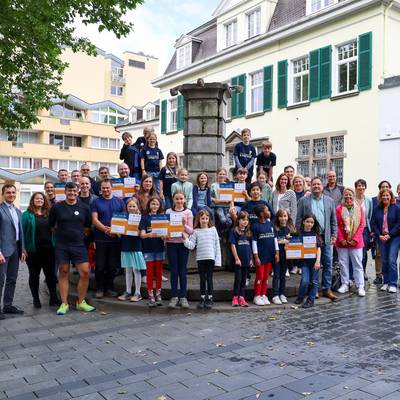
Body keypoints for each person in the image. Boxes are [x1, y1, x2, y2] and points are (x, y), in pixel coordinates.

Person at [48, 182, 95, 315]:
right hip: (62, 245)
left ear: (78, 191)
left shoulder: (84, 208)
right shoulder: (57, 207)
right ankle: (64, 303)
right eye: (69, 191)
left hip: (78, 244)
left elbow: (87, 226)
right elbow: (51, 225)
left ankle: (81, 302)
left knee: (85, 272)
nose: (72, 193)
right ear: (65, 192)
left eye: (74, 191)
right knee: (63, 271)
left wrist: (78, 236)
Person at [296, 177, 338, 301]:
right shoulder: (304, 201)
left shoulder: (329, 201)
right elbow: (298, 219)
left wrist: (334, 234)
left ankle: (327, 289)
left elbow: (333, 221)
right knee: (312, 264)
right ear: (310, 186)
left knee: (328, 263)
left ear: (322, 186)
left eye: (318, 184)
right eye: (314, 184)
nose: (316, 186)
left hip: (325, 237)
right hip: (309, 238)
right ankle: (314, 290)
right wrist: (299, 236)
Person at [22, 192, 59, 308]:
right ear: (32, 200)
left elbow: (56, 228)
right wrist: (23, 249)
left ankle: (53, 298)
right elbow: (22, 233)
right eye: (37, 198)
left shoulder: (49, 214)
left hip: (49, 250)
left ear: (45, 201)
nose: (39, 200)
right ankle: (36, 299)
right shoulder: (27, 215)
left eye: (41, 198)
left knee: (51, 276)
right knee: (34, 276)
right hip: (33, 251)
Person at [91, 179, 125, 298]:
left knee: (112, 266)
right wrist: (107, 230)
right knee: (100, 266)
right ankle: (100, 288)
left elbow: (123, 220)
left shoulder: (120, 202)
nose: (105, 190)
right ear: (100, 189)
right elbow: (94, 220)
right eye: (103, 188)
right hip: (100, 239)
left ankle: (109, 288)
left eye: (107, 188)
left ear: (112, 188)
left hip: (115, 239)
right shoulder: (96, 202)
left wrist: (115, 231)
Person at [184, 209, 221, 310]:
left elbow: (217, 245)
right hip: (201, 259)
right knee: (202, 279)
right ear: (198, 219)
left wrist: (217, 260)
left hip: (210, 258)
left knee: (209, 279)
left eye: (206, 218)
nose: (204, 220)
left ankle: (210, 298)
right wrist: (185, 239)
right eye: (202, 218)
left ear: (209, 219)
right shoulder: (196, 232)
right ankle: (202, 298)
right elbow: (191, 246)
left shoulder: (213, 230)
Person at [0, 184, 26, 318]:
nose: (11, 195)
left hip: (16, 250)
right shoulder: (0, 210)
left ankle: (8, 306)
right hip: (3, 251)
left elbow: (20, 232)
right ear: (3, 194)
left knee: (12, 279)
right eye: (8, 192)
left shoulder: (17, 211)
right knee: (0, 280)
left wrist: (23, 249)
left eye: (13, 192)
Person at [336, 188, 366, 296]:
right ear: (343, 196)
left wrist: (355, 239)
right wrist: (341, 239)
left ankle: (360, 285)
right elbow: (337, 226)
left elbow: (362, 225)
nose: (348, 197)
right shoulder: (339, 209)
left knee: (357, 264)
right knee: (343, 263)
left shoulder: (359, 209)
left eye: (350, 195)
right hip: (342, 242)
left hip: (356, 242)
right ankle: (345, 283)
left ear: (353, 196)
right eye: (346, 195)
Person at [166, 191, 194, 309]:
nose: (179, 201)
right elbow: (165, 227)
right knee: (173, 271)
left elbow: (191, 231)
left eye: (181, 199)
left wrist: (183, 225)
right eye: (177, 199)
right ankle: (174, 296)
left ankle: (183, 297)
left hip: (183, 244)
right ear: (173, 199)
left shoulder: (188, 212)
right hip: (171, 243)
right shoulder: (168, 211)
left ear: (185, 200)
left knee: (182, 271)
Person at [371, 188, 400, 293]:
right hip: (381, 238)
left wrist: (389, 235)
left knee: (392, 260)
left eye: (387, 195)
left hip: (394, 237)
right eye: (383, 195)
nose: (385, 197)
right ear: (380, 197)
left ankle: (393, 283)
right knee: (384, 260)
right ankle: (386, 282)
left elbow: (399, 224)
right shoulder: (377, 208)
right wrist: (379, 235)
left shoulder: (396, 208)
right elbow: (373, 223)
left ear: (391, 196)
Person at [117, 198, 146, 302]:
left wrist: (135, 229)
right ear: (126, 207)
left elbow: (141, 232)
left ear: (137, 207)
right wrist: (117, 231)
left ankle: (138, 293)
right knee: (128, 269)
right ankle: (128, 291)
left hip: (136, 245)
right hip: (125, 245)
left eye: (134, 206)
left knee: (136, 269)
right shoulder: (122, 217)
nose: (132, 208)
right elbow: (119, 233)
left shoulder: (141, 218)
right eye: (130, 206)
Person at [139, 197, 165, 307]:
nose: (155, 206)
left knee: (159, 272)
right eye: (153, 204)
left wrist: (165, 237)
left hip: (160, 248)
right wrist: (151, 234)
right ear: (149, 205)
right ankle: (151, 295)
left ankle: (158, 294)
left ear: (159, 206)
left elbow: (166, 234)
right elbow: (142, 235)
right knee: (149, 273)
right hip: (148, 249)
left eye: (157, 204)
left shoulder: (162, 218)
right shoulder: (145, 218)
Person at [251, 204, 279, 306]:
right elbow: (254, 242)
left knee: (266, 276)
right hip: (261, 256)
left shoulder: (270, 224)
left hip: (270, 254)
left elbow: (275, 239)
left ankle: (263, 294)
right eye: (267, 210)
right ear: (262, 214)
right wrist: (256, 256)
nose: (270, 212)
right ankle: (257, 295)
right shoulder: (255, 226)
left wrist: (277, 252)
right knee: (260, 276)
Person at [294, 214, 322, 308]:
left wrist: (318, 261)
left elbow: (318, 249)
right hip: (304, 262)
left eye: (312, 222)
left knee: (314, 281)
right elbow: (295, 247)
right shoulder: (299, 234)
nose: (309, 224)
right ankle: (301, 297)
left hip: (314, 262)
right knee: (305, 280)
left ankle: (311, 300)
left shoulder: (315, 235)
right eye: (308, 222)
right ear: (303, 222)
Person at [273, 209, 295, 305]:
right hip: (277, 255)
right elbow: (275, 240)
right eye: (281, 216)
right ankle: (275, 294)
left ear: (288, 217)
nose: (283, 218)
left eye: (285, 216)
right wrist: (284, 240)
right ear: (277, 218)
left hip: (286, 256)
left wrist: (290, 240)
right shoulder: (275, 228)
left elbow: (294, 241)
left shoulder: (290, 228)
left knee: (283, 276)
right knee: (276, 275)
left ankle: (282, 293)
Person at [229, 211, 251, 307]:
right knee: (238, 279)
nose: (245, 222)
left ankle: (242, 297)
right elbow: (233, 245)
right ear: (238, 220)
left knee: (244, 279)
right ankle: (235, 297)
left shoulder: (248, 232)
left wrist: (251, 259)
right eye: (243, 219)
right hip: (239, 260)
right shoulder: (234, 231)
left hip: (246, 260)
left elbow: (250, 246)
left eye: (246, 220)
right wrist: (237, 258)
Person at [371, 180, 391, 284]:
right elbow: (372, 216)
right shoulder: (374, 200)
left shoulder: (393, 200)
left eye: (387, 186)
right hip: (379, 233)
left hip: (391, 233)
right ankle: (379, 275)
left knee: (390, 255)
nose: (385, 188)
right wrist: (375, 232)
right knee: (379, 254)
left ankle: (388, 276)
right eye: (383, 186)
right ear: (379, 188)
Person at [354, 179, 373, 279]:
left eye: (363, 186)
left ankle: (363, 271)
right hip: (353, 230)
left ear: (365, 187)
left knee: (363, 251)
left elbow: (369, 215)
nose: (361, 188)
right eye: (359, 186)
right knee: (353, 252)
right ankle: (354, 272)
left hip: (364, 230)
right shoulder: (352, 199)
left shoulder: (368, 200)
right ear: (356, 187)